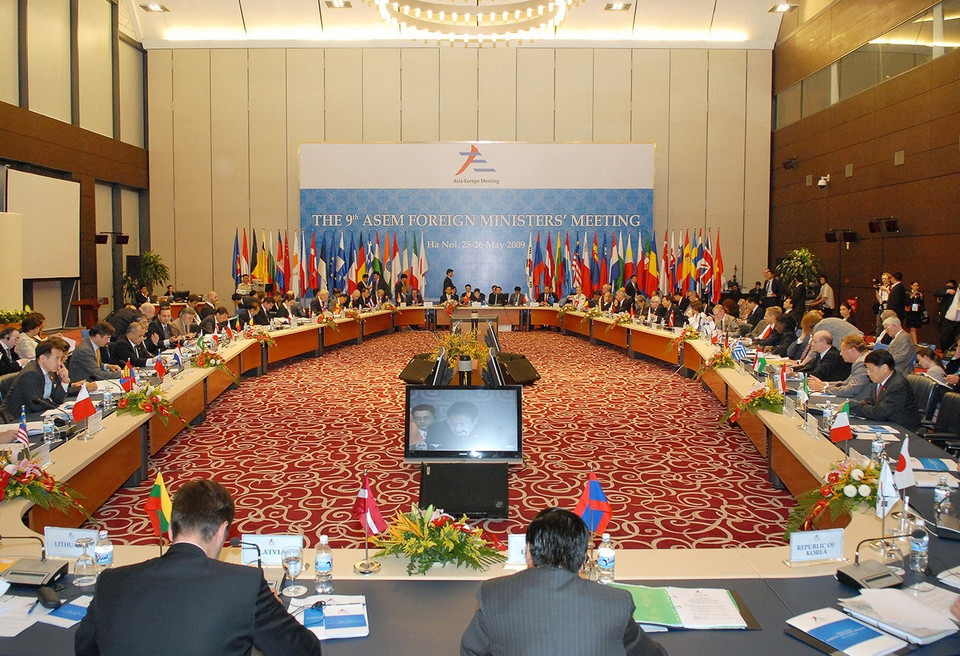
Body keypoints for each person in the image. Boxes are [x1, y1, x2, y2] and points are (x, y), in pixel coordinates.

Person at [75, 479, 323, 656]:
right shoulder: (244, 585)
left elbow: (84, 647)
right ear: (222, 532)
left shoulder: (111, 581)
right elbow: (303, 650)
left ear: (171, 530)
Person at [459, 508, 666, 656]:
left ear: (529, 551)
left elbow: (471, 650)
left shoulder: (493, 594)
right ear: (582, 559)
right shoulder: (616, 603)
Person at [0, 339, 70, 422]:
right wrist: (51, 401)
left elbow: (58, 399)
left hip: (37, 414)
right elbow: (36, 405)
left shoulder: (50, 371)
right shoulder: (31, 374)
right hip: (18, 418)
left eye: (60, 359)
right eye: (57, 358)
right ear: (43, 358)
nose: (60, 363)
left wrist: (65, 382)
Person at [849, 349, 920, 430]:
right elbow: (871, 401)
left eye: (870, 369)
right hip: (887, 423)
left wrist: (851, 407)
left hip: (903, 428)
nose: (868, 373)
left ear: (884, 368)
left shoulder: (897, 385)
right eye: (867, 369)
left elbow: (880, 413)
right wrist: (858, 404)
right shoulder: (878, 380)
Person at [807, 334, 872, 401]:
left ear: (853, 350)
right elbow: (846, 383)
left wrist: (823, 388)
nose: (841, 354)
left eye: (843, 350)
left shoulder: (862, 363)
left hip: (857, 402)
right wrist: (825, 384)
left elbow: (850, 390)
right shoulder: (858, 361)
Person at [426, 402, 508, 451]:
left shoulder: (493, 430)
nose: (457, 429)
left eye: (462, 423)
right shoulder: (434, 429)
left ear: (475, 421)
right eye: (452, 423)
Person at [935, 279, 960, 351]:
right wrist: (947, 291)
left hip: (958, 322)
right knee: (945, 339)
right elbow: (936, 292)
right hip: (948, 320)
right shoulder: (952, 290)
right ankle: (945, 353)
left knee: (956, 341)